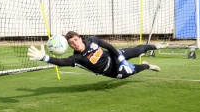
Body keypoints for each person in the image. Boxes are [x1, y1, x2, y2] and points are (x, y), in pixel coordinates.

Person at [28, 31, 168, 79]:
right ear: (69, 46)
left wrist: (120, 57)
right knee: (132, 71)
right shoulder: (76, 58)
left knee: (137, 50)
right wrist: (44, 58)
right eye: (71, 43)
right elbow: (62, 62)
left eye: (75, 40)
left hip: (113, 56)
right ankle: (147, 66)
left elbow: (107, 46)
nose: (75, 44)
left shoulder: (92, 40)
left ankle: (155, 46)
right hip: (111, 70)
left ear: (80, 38)